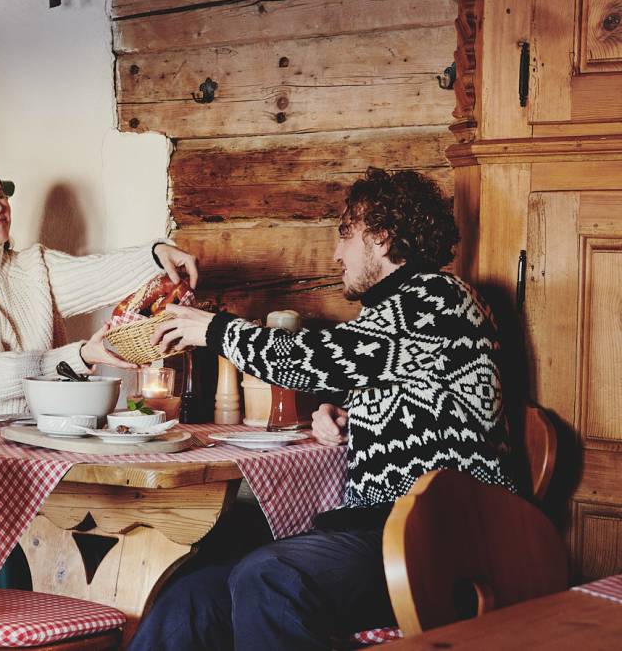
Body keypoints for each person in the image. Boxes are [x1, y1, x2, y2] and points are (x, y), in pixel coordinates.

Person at [132, 168, 518, 650]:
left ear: (380, 238)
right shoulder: (400, 310)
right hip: (389, 531)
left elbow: (316, 358)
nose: (337, 253)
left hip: (442, 539)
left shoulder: (438, 297)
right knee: (190, 598)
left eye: (345, 234)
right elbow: (428, 401)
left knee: (270, 576)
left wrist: (215, 330)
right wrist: (356, 421)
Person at [0, 156, 198, 590]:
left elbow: (99, 273)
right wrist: (80, 355)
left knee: (92, 548)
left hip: (33, 448)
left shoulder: (31, 268)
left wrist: (157, 254)